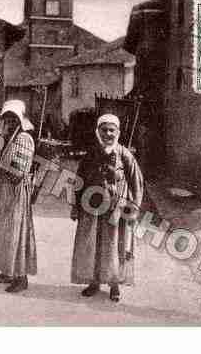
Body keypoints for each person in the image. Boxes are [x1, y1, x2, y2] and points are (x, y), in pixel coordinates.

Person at [70, 113, 143, 302]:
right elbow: (79, 182)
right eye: (104, 130)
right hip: (92, 208)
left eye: (112, 130)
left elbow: (137, 183)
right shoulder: (90, 155)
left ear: (118, 132)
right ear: (98, 132)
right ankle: (94, 282)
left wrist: (134, 206)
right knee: (92, 245)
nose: (108, 134)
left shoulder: (125, 155)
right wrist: (76, 206)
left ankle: (114, 285)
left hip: (116, 211)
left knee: (114, 247)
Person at [0, 99, 37, 293]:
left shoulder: (24, 139)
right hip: (3, 192)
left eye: (14, 119)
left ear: (21, 120)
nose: (10, 122)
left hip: (15, 192)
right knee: (4, 232)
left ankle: (21, 277)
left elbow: (18, 172)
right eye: (8, 118)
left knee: (16, 233)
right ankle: (7, 272)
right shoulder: (8, 138)